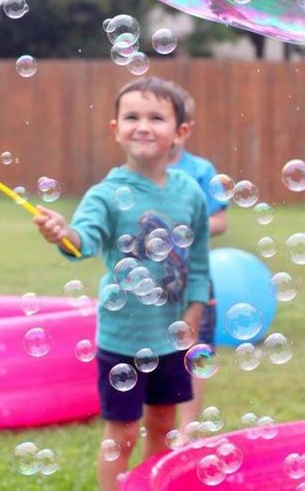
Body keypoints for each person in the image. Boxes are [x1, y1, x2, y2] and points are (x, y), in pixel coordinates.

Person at [34, 76, 210, 491]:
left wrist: (193, 313)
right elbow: (83, 241)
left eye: (156, 117)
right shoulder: (107, 194)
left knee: (164, 427)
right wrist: (63, 232)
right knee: (123, 434)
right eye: (131, 116)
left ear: (180, 132)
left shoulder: (190, 193)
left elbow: (199, 262)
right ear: (115, 129)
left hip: (171, 339)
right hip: (121, 340)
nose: (143, 126)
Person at [168, 89, 228, 433]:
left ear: (184, 129)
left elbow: (220, 220)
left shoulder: (201, 170)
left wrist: (189, 227)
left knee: (196, 351)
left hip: (194, 278)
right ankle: (161, 421)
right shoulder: (142, 173)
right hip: (152, 281)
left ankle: (189, 427)